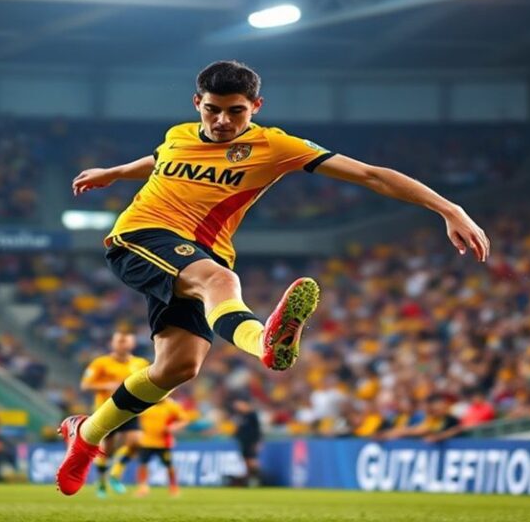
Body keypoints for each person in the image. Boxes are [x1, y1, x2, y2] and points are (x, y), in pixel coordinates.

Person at [56, 60, 490, 496]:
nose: (223, 121)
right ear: (197, 104)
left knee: (178, 368)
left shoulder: (276, 147)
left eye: (236, 111)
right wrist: (113, 173)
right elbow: (158, 160)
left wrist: (449, 209)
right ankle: (266, 340)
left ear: (256, 107)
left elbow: (371, 175)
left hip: (200, 254)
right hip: (140, 236)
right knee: (220, 282)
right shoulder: (179, 133)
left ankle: (86, 435)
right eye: (212, 110)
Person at [79, 329, 150, 498]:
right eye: (119, 341)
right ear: (112, 343)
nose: (122, 344)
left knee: (136, 442)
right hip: (107, 410)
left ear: (132, 344)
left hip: (131, 410)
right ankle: (102, 483)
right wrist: (108, 385)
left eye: (126, 341)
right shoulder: (100, 363)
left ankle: (115, 474)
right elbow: (85, 385)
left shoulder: (141, 363)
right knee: (107, 450)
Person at [131, 397, 190, 497]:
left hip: (163, 443)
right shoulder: (146, 403)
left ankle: (173, 487)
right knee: (142, 464)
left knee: (169, 465)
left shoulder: (172, 406)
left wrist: (174, 426)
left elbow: (184, 420)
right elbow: (134, 417)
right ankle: (143, 488)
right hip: (146, 441)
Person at [230, 396, 262, 487]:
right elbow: (239, 430)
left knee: (251, 461)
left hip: (251, 442)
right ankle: (249, 481)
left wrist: (258, 442)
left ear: (244, 404)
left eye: (239, 404)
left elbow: (257, 430)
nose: (237, 407)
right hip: (243, 442)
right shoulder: (241, 416)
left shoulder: (252, 415)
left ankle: (259, 479)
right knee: (246, 462)